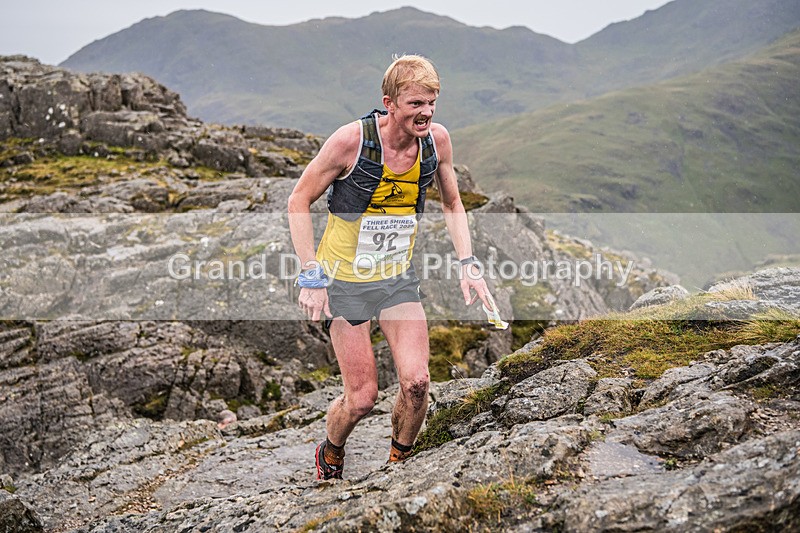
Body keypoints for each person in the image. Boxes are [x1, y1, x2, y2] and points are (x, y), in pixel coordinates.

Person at [287, 54, 491, 480]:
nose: (427, 113)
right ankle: (332, 448)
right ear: (390, 102)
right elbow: (297, 201)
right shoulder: (351, 142)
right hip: (344, 283)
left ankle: (397, 470)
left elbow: (453, 203)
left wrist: (468, 263)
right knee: (361, 398)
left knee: (417, 384)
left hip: (396, 280)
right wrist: (311, 274)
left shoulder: (437, 142)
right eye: (416, 103)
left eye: (432, 102)